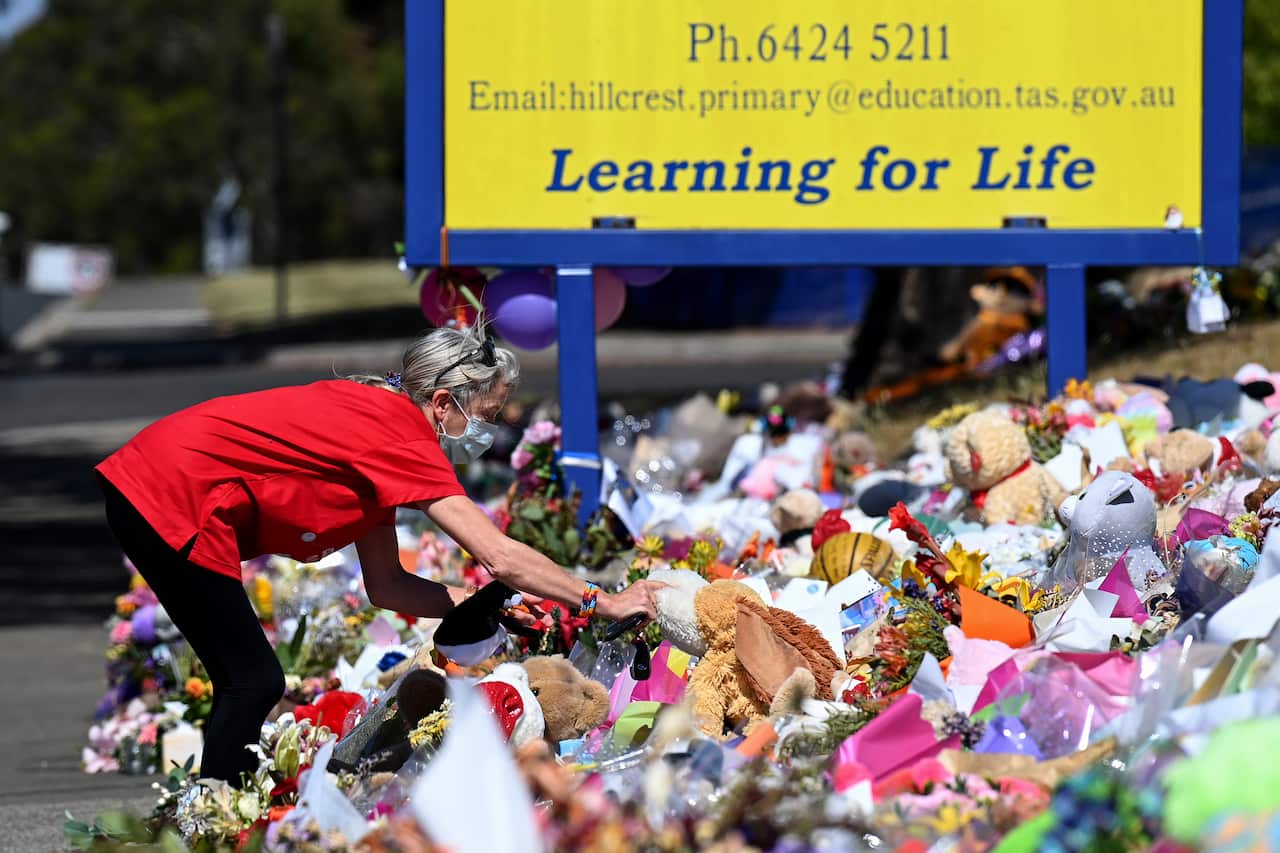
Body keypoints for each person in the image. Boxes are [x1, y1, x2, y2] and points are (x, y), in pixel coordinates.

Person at [94, 321, 664, 785]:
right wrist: (602, 601)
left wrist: (477, 604)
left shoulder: (380, 426)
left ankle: (221, 814)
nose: (489, 433)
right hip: (172, 492)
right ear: (442, 403)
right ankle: (216, 828)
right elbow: (498, 553)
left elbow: (387, 585)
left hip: (155, 484)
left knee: (243, 679)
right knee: (253, 682)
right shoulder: (398, 433)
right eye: (486, 416)